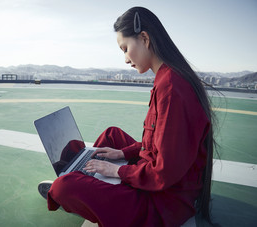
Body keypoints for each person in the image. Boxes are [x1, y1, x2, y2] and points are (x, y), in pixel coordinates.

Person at [38, 6, 216, 227]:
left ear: (144, 38)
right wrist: (122, 153)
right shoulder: (167, 78)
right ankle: (91, 179)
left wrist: (117, 171)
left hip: (162, 203)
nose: (125, 59)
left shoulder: (171, 87)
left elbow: (164, 173)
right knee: (111, 135)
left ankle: (81, 184)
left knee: (64, 187)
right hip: (161, 184)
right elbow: (160, 146)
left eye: (125, 48)